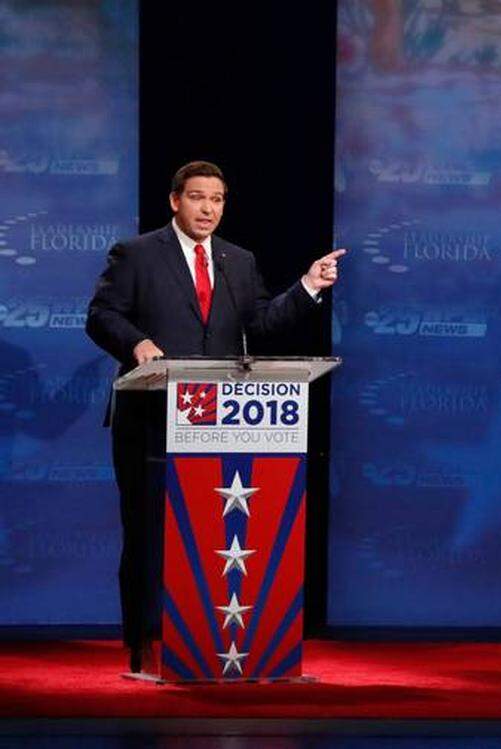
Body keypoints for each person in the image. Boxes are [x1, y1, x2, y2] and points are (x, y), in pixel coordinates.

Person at [86, 160, 345, 673]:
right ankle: (146, 646)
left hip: (218, 424)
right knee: (148, 533)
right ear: (175, 200)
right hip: (151, 421)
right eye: (199, 197)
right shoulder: (137, 254)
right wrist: (136, 343)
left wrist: (308, 287)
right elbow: (101, 314)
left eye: (218, 199)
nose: (209, 209)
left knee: (209, 533)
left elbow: (262, 324)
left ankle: (210, 642)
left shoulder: (237, 261)